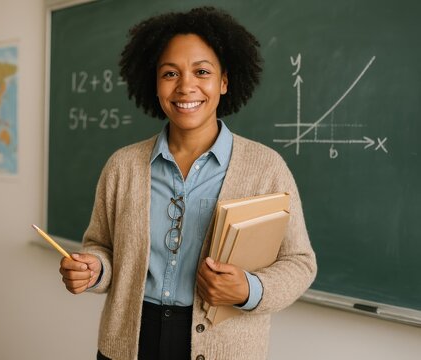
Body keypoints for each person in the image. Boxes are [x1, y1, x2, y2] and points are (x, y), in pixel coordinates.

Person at [59, 6, 316, 360]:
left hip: (224, 346)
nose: (185, 86)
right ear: (155, 83)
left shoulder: (266, 168)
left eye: (202, 71)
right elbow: (101, 245)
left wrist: (249, 289)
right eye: (169, 73)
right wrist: (93, 268)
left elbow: (300, 262)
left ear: (224, 81)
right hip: (129, 343)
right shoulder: (123, 165)